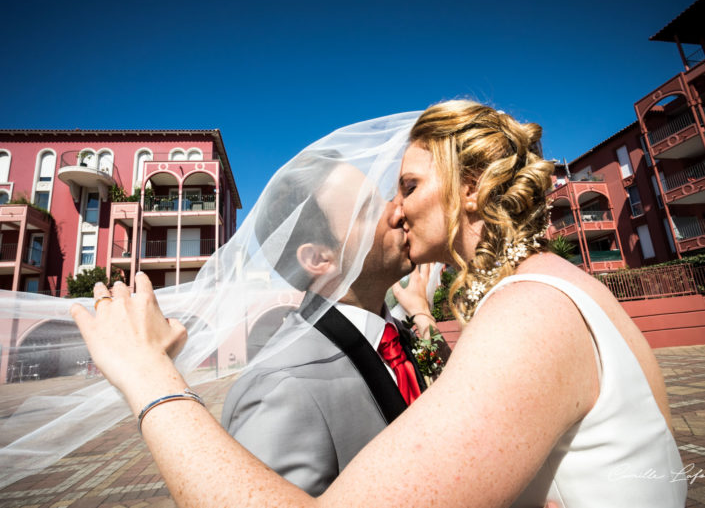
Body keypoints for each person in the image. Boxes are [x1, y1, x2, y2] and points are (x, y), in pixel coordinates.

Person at [70, 101, 686, 508]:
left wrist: (151, 378)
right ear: (317, 258)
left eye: (409, 186)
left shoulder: (530, 314)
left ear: (472, 189)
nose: (398, 207)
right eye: (386, 197)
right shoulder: (549, 292)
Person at [220, 152, 447, 495]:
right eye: (368, 210)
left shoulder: (395, 336)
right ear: (318, 259)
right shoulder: (281, 390)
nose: (399, 210)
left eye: (384, 199)